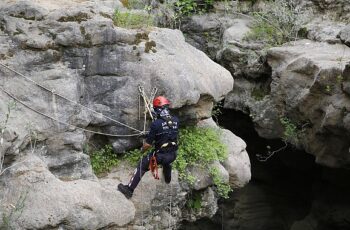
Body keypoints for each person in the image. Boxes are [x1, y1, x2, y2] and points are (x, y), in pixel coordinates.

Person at [118, 96, 179, 199]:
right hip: (173, 155)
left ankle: (129, 190)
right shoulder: (176, 120)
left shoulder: (156, 124)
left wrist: (142, 150)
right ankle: (167, 178)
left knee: (142, 164)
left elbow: (148, 145)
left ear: (157, 110)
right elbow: (167, 132)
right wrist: (148, 134)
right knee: (167, 158)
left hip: (160, 157)